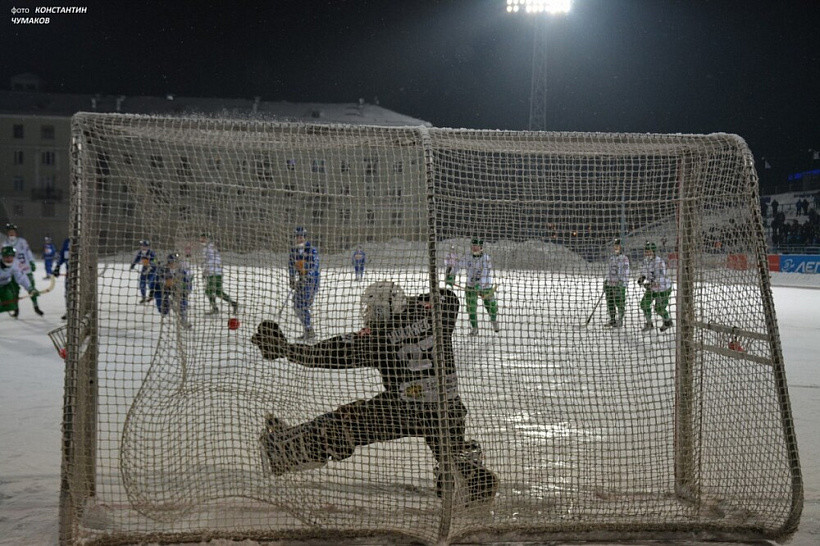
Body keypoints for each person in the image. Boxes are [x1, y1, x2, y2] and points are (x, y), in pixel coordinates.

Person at [250, 282, 499, 506]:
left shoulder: (376, 339)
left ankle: (281, 451)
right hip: (448, 409)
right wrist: (412, 306)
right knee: (449, 449)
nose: (367, 315)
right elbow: (449, 297)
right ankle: (464, 467)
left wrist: (285, 349)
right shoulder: (438, 314)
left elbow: (328, 353)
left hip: (402, 410)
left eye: (372, 310)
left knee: (340, 427)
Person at [447, 238, 499, 335]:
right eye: (473, 246)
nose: (474, 248)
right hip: (471, 286)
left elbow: (485, 273)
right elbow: (458, 266)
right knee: (471, 308)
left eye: (477, 246)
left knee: (491, 306)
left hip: (485, 287)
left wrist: (479, 285)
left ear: (481, 247)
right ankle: (475, 328)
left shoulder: (486, 258)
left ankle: (494, 320)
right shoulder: (468, 257)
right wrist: (451, 275)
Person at [2, 224, 42, 316]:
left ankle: (36, 306)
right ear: (7, 233)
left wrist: (31, 261)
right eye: (10, 232)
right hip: (13, 271)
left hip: (25, 269)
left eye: (13, 232)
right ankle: (16, 309)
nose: (11, 233)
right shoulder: (5, 244)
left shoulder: (22, 242)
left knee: (31, 288)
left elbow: (28, 252)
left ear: (15, 233)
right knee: (14, 291)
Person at [288, 226, 320, 340]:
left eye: (301, 236)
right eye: (297, 236)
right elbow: (291, 265)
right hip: (301, 281)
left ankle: (309, 331)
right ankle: (307, 329)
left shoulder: (311, 250)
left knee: (304, 305)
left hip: (311, 282)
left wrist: (307, 276)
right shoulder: (294, 251)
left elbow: (315, 266)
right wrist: (292, 279)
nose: (299, 238)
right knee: (297, 305)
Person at [199, 232, 238, 316]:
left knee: (208, 291)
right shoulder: (209, 247)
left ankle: (215, 308)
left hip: (213, 273)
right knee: (218, 292)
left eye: (202, 238)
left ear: (207, 238)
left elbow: (213, 260)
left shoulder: (209, 248)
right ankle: (233, 304)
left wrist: (205, 269)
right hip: (216, 273)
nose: (201, 239)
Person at [638, 241, 673, 332]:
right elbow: (645, 271)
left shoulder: (659, 262)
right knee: (644, 304)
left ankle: (667, 322)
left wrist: (651, 283)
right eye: (646, 251)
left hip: (663, 288)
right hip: (652, 288)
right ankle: (649, 324)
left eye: (649, 251)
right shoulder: (646, 261)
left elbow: (661, 277)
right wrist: (642, 277)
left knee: (659, 308)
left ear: (653, 251)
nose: (647, 253)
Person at [152, 253, 192, 329]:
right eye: (171, 262)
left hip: (175, 290)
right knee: (163, 310)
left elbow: (187, 282)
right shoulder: (162, 271)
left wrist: (186, 291)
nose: (173, 264)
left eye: (175, 262)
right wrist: (153, 291)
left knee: (183, 303)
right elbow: (155, 282)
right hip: (163, 291)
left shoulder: (181, 272)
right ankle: (168, 305)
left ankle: (184, 321)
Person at [1, 245, 40, 318]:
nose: (9, 259)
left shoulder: (15, 263)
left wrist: (30, 288)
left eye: (11, 257)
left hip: (5, 286)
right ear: (2, 257)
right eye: (6, 257)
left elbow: (21, 277)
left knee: (10, 306)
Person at [603, 238, 630, 327]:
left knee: (619, 302)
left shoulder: (624, 258)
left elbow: (626, 271)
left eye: (617, 246)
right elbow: (609, 270)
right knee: (610, 302)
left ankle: (620, 320)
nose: (615, 247)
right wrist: (606, 280)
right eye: (615, 245)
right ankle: (612, 319)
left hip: (619, 285)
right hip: (610, 284)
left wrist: (622, 281)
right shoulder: (612, 258)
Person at [130, 239, 157, 304]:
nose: (143, 247)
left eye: (144, 246)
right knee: (142, 283)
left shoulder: (151, 253)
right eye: (142, 246)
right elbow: (137, 259)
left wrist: (150, 263)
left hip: (152, 270)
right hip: (145, 269)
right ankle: (143, 297)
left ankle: (151, 295)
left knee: (150, 283)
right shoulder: (141, 252)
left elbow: (155, 261)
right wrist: (133, 265)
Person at [54, 238, 70, 320]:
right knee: (68, 293)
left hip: (81, 272)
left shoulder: (83, 240)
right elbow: (62, 254)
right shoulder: (67, 242)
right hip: (70, 273)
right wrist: (58, 266)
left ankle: (82, 311)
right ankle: (70, 311)